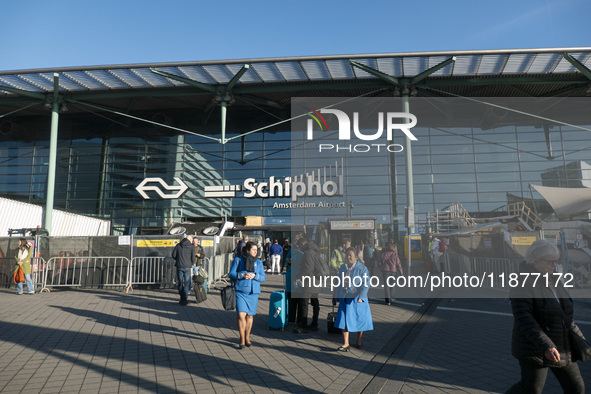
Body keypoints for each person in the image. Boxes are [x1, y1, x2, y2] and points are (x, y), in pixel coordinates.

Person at [506, 239, 585, 393]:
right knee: (530, 390)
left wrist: (580, 338)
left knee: (576, 388)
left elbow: (566, 314)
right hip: (535, 348)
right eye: (550, 262)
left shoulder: (554, 279)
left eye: (556, 261)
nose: (554, 265)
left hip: (562, 346)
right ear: (535, 260)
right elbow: (524, 319)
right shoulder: (522, 282)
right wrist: (546, 345)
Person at [334, 247, 373, 352]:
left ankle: (359, 340)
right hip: (344, 297)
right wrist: (336, 296)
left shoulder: (362, 269)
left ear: (356, 257)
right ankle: (346, 343)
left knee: (359, 320)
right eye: (347, 255)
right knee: (343, 320)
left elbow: (366, 284)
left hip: (356, 299)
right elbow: (338, 282)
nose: (348, 257)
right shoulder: (343, 267)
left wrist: (361, 297)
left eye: (350, 255)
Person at [229, 241, 266, 349]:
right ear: (247, 250)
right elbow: (231, 274)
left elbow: (263, 278)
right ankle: (241, 339)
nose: (256, 252)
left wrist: (255, 275)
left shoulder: (259, 262)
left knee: (250, 315)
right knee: (241, 315)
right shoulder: (238, 260)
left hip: (253, 292)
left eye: (256, 250)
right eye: (253, 250)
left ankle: (247, 337)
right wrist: (242, 275)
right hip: (241, 291)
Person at [293, 237, 321, 333]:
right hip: (317, 281)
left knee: (304, 303)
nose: (299, 248)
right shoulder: (315, 250)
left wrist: (299, 276)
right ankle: (314, 323)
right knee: (314, 302)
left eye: (299, 246)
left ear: (302, 244)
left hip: (310, 281)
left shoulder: (308, 252)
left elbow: (308, 269)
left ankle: (304, 326)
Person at [172, 235, 195, 306]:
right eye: (192, 240)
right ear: (190, 239)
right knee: (187, 283)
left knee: (180, 282)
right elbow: (193, 257)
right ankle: (185, 298)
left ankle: (181, 297)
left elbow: (173, 255)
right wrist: (190, 263)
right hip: (187, 266)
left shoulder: (178, 245)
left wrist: (178, 260)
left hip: (179, 266)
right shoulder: (191, 247)